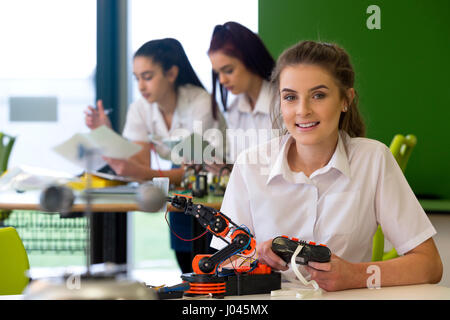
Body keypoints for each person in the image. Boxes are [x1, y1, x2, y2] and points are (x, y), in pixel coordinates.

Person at [211, 40, 442, 291]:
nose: (303, 110)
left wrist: (354, 275)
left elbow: (430, 265)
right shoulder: (250, 164)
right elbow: (220, 265)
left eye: (318, 95)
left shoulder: (373, 158)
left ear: (346, 100)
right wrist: (257, 259)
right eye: (290, 97)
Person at [84, 38, 226, 273]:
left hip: (216, 188)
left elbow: (196, 170)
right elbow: (140, 167)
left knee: (213, 273)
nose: (140, 86)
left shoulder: (200, 102)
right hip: (182, 190)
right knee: (188, 270)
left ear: (171, 73)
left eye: (147, 77)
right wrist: (106, 135)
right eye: (136, 78)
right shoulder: (141, 108)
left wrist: (143, 172)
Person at [207, 21, 277, 166]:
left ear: (251, 59)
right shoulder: (234, 110)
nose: (222, 80)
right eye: (217, 73)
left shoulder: (284, 103)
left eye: (228, 70)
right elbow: (239, 166)